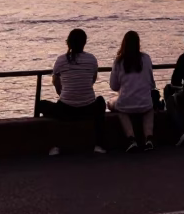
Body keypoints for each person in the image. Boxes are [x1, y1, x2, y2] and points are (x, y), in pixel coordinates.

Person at [39, 28, 106, 157]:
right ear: (84, 43)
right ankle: (99, 145)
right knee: (101, 101)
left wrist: (62, 94)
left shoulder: (61, 60)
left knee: (42, 104)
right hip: (89, 109)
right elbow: (92, 80)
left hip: (66, 110)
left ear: (68, 43)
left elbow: (55, 81)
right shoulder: (92, 59)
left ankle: (54, 146)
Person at [109, 30, 156, 151]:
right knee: (149, 109)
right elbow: (151, 84)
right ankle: (149, 138)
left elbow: (114, 86)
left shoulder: (119, 61)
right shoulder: (146, 58)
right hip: (144, 103)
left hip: (125, 103)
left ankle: (131, 139)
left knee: (116, 106)